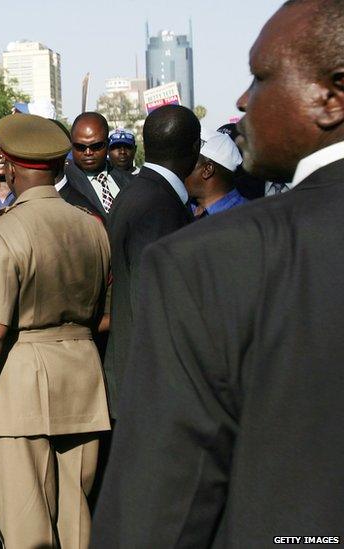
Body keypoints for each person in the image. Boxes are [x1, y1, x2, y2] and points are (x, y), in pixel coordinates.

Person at [92, 1, 344, 545]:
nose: (241, 100)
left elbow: (161, 510)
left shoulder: (209, 263)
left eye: (260, 78)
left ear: (332, 96)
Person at [0, 113, 110, 549]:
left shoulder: (3, 230)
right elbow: (106, 317)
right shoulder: (91, 226)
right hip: (83, 382)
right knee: (77, 525)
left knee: (25, 532)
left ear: (10, 165)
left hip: (20, 392)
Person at [103, 105, 200, 418]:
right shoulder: (157, 204)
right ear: (195, 148)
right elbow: (152, 301)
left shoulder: (138, 193)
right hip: (151, 389)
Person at [64, 113, 133, 221]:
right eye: (80, 147)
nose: (88, 152)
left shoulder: (129, 181)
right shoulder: (63, 184)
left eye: (96, 146)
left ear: (107, 144)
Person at [186, 132, 248, 218]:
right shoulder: (181, 207)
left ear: (207, 170)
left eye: (187, 162)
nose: (180, 168)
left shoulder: (244, 216)